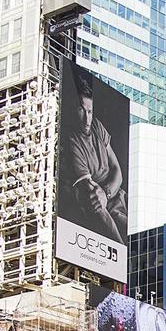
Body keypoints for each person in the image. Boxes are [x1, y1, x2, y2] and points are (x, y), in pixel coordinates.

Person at [63, 67, 128, 244]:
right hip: (94, 205)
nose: (87, 119)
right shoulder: (72, 140)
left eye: (90, 111)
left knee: (141, 239)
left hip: (114, 196)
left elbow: (117, 171)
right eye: (81, 110)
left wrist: (107, 193)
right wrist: (119, 255)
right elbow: (94, 200)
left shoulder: (97, 127)